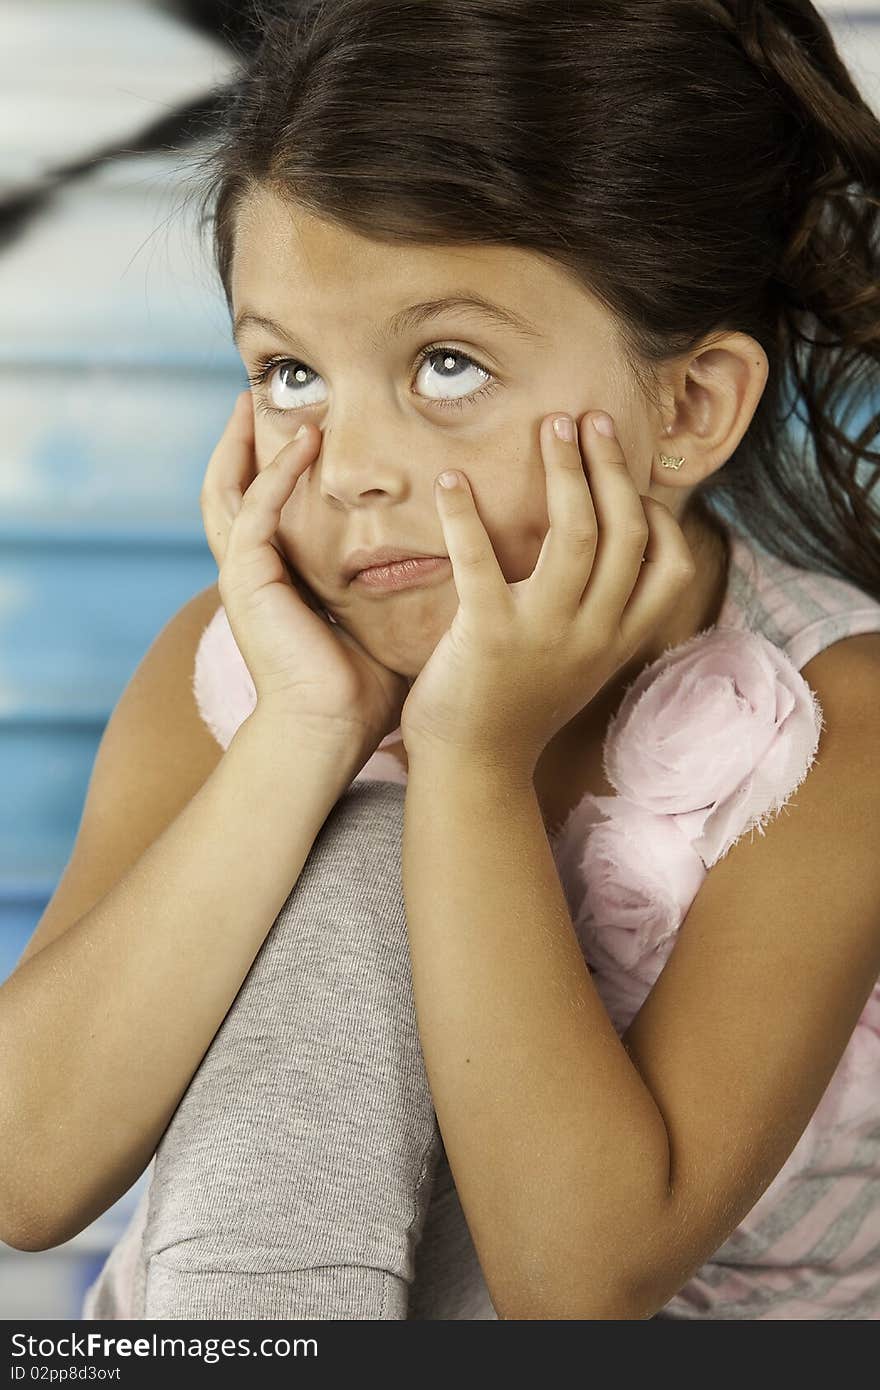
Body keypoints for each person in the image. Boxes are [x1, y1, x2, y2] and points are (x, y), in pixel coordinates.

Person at [1, 0, 879, 1319]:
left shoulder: (832, 726)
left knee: (384, 840)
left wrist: (470, 759)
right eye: (289, 373)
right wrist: (306, 728)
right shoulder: (252, 657)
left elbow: (575, 1281)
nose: (349, 470)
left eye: (448, 362)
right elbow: (26, 1172)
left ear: (688, 407)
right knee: (342, 844)